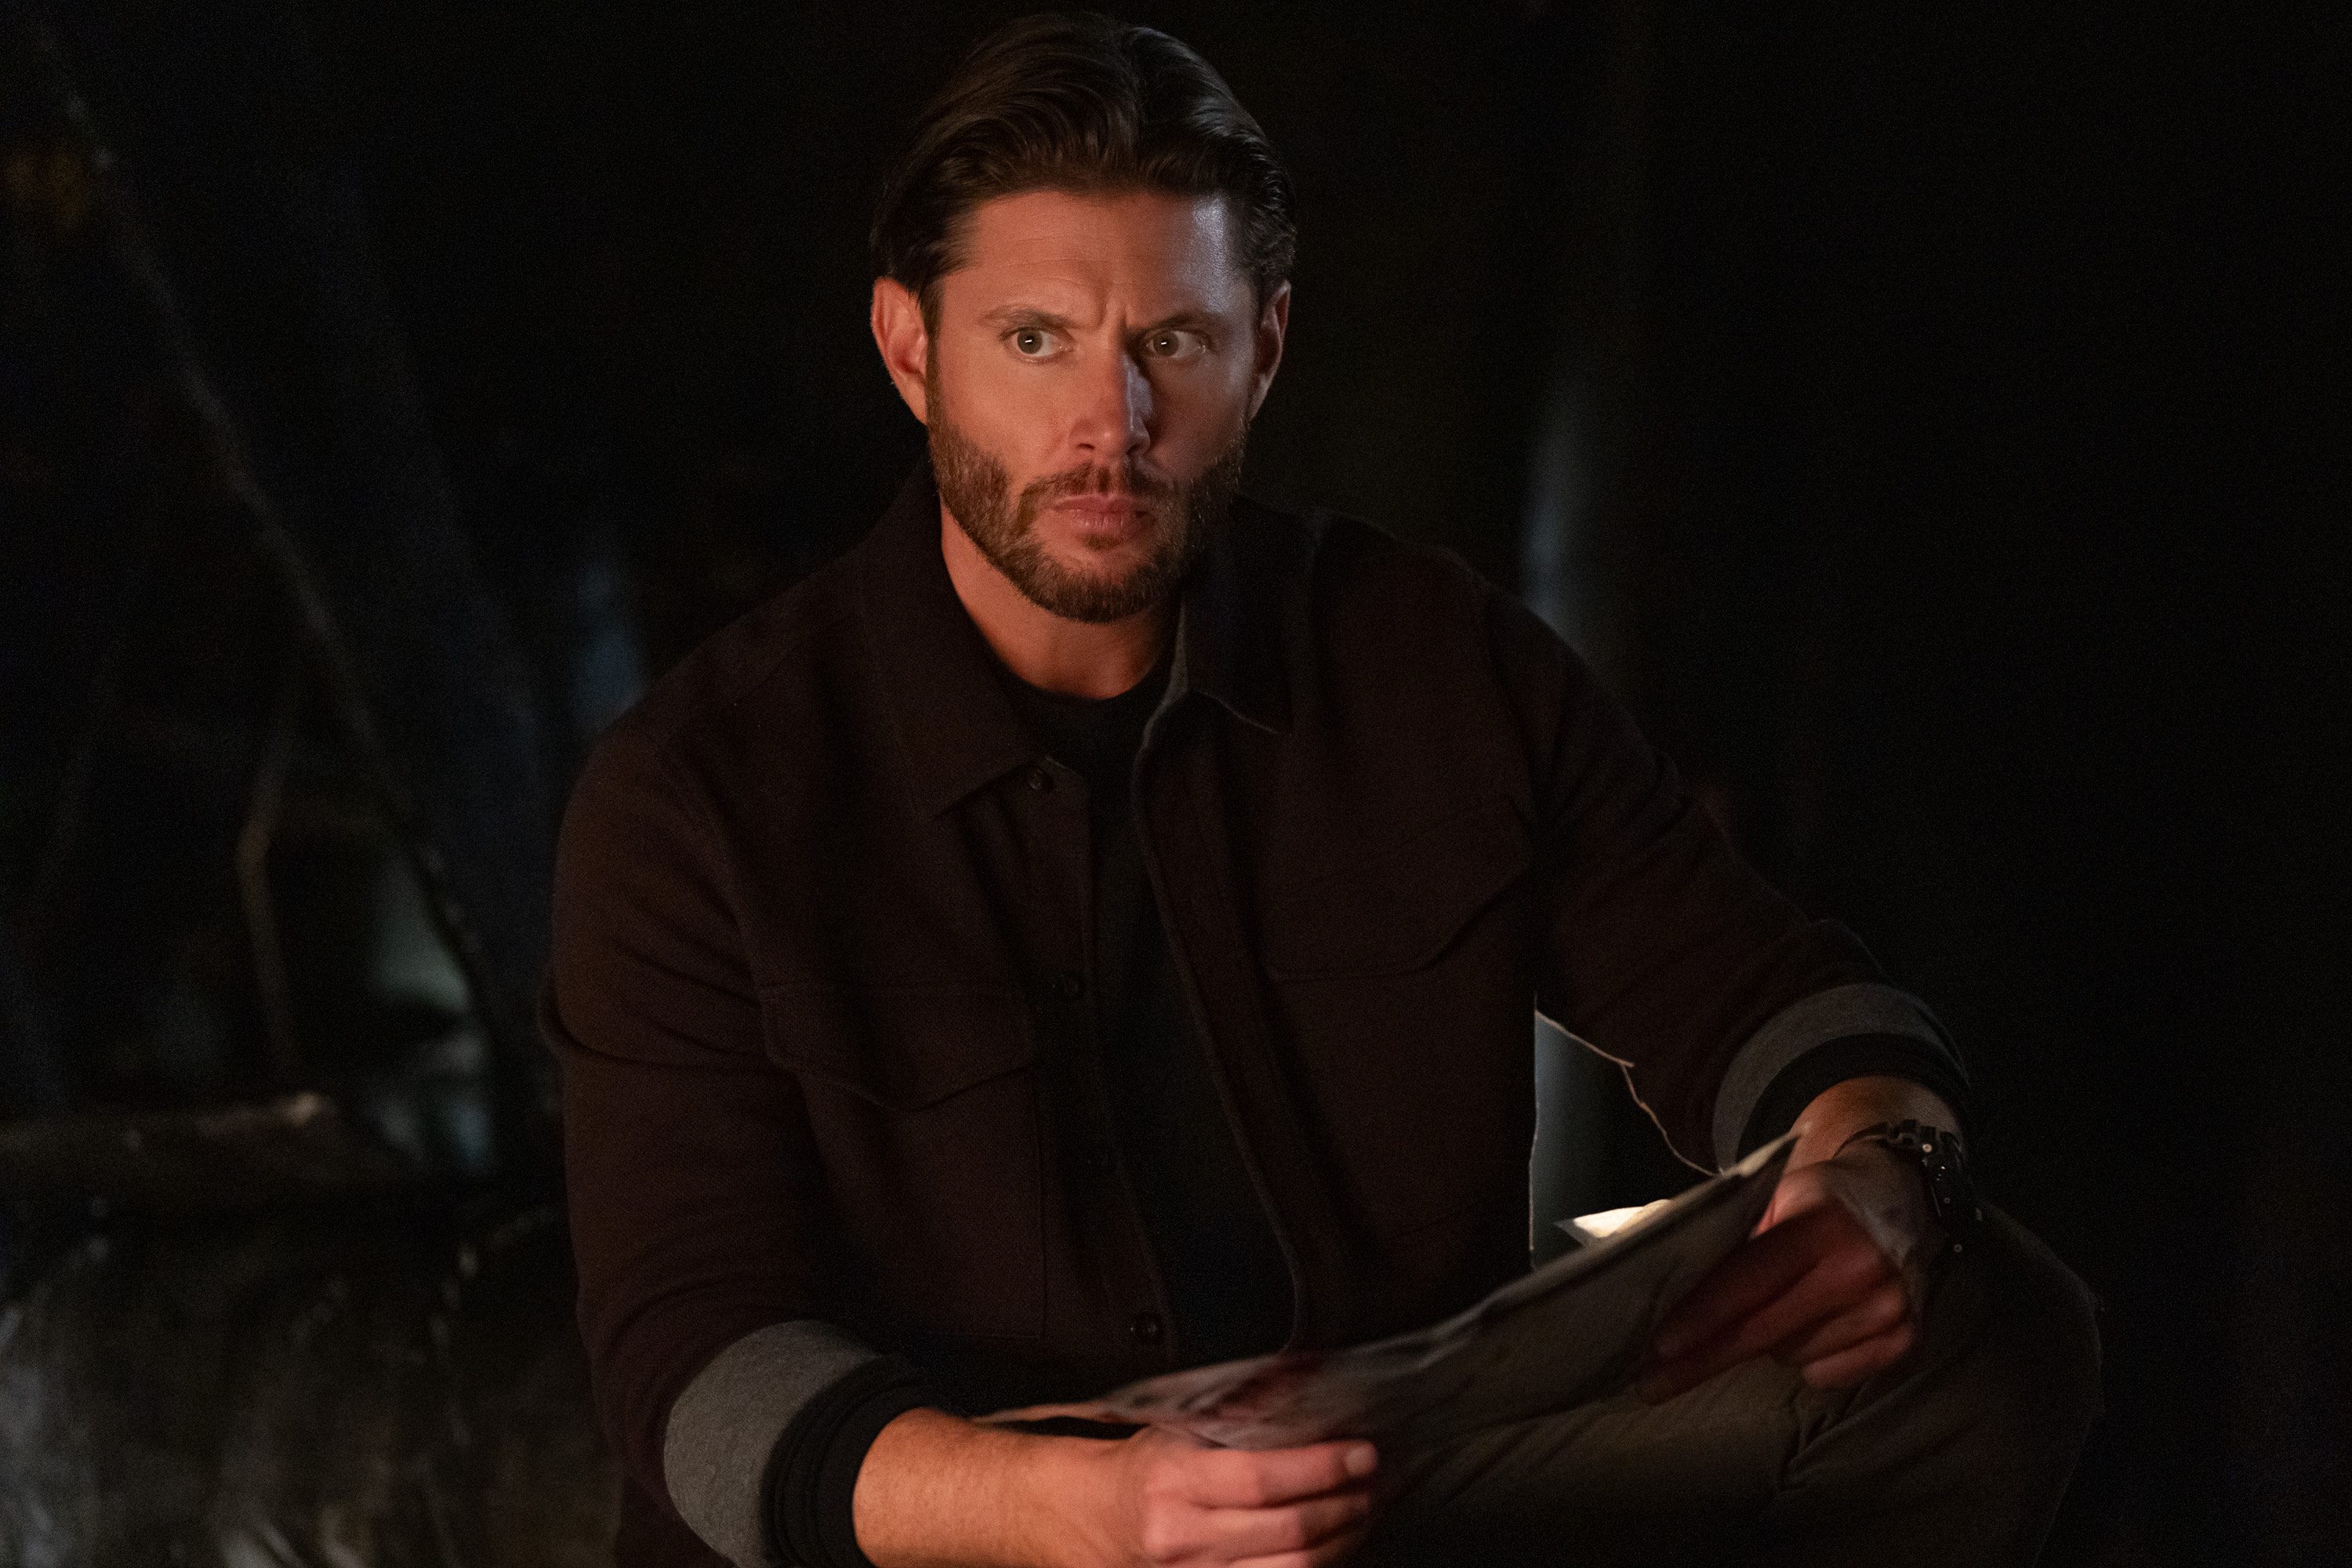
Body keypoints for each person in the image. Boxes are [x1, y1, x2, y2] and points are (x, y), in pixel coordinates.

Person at [542, 16, 2100, 1568]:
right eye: (1035, 343)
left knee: (1987, 1327)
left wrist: (1883, 1169)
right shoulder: (700, 793)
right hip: (993, 1528)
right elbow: (694, 1362)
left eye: (1173, 344)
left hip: (1363, 1493)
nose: (1110, 427)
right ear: (911, 350)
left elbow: (1769, 995)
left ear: (1264, 350)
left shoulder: (1432, 663)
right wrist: (1093, 1510)